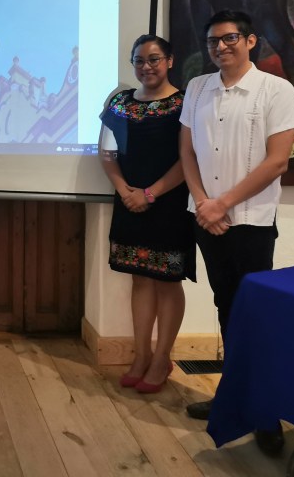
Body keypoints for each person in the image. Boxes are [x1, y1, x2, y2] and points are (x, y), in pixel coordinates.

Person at [179, 9, 294, 455]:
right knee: (226, 307)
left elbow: (277, 161)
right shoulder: (198, 87)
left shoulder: (276, 89)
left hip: (250, 220)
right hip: (206, 219)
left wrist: (223, 203)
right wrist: (203, 202)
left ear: (250, 41)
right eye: (213, 41)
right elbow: (187, 152)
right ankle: (231, 398)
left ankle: (265, 412)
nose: (220, 47)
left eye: (230, 38)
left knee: (255, 314)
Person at [100, 34, 195, 395]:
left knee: (168, 281)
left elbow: (189, 159)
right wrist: (125, 191)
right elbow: (107, 153)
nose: (146, 67)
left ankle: (162, 359)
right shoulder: (120, 102)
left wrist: (150, 193)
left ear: (169, 61)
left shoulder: (186, 103)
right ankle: (141, 356)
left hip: (170, 204)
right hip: (129, 202)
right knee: (140, 279)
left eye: (154, 59)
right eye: (139, 60)